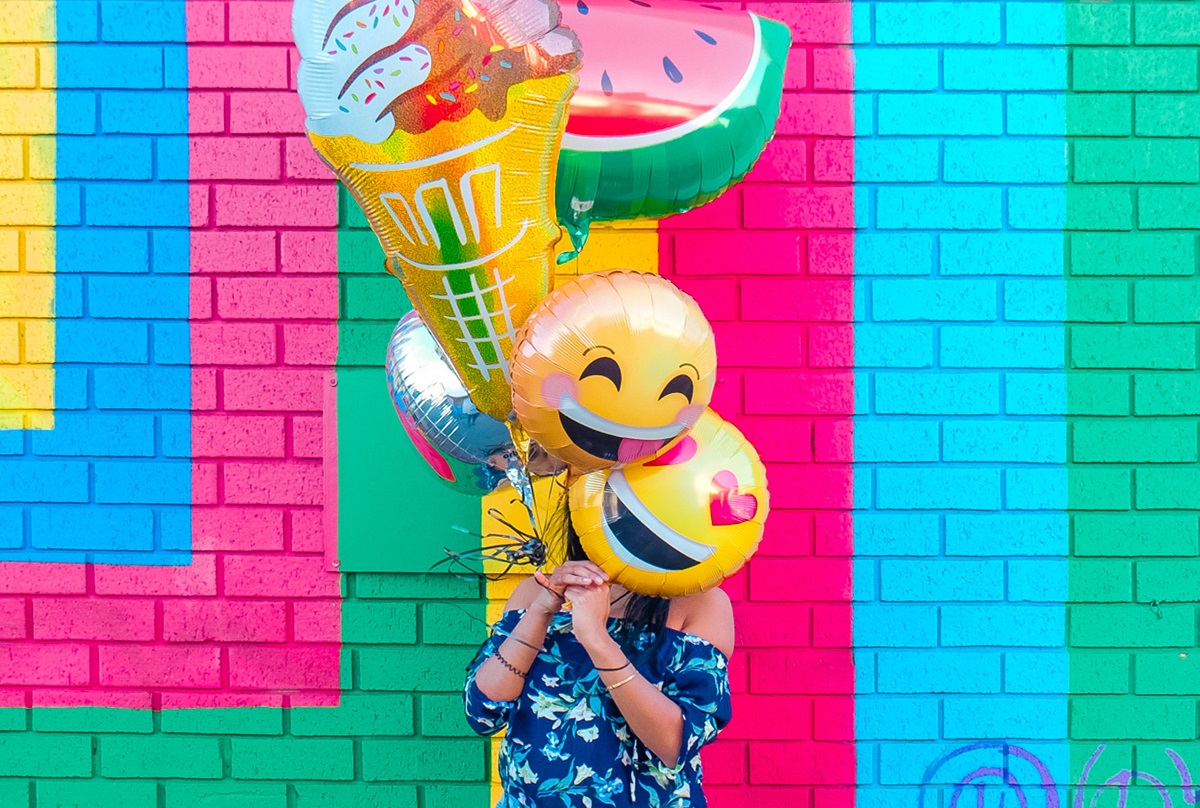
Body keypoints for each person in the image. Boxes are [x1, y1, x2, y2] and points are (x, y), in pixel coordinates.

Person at [463, 525, 734, 807]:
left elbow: (676, 744)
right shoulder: (535, 592)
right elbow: (482, 714)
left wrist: (596, 638)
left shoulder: (698, 602)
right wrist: (542, 611)